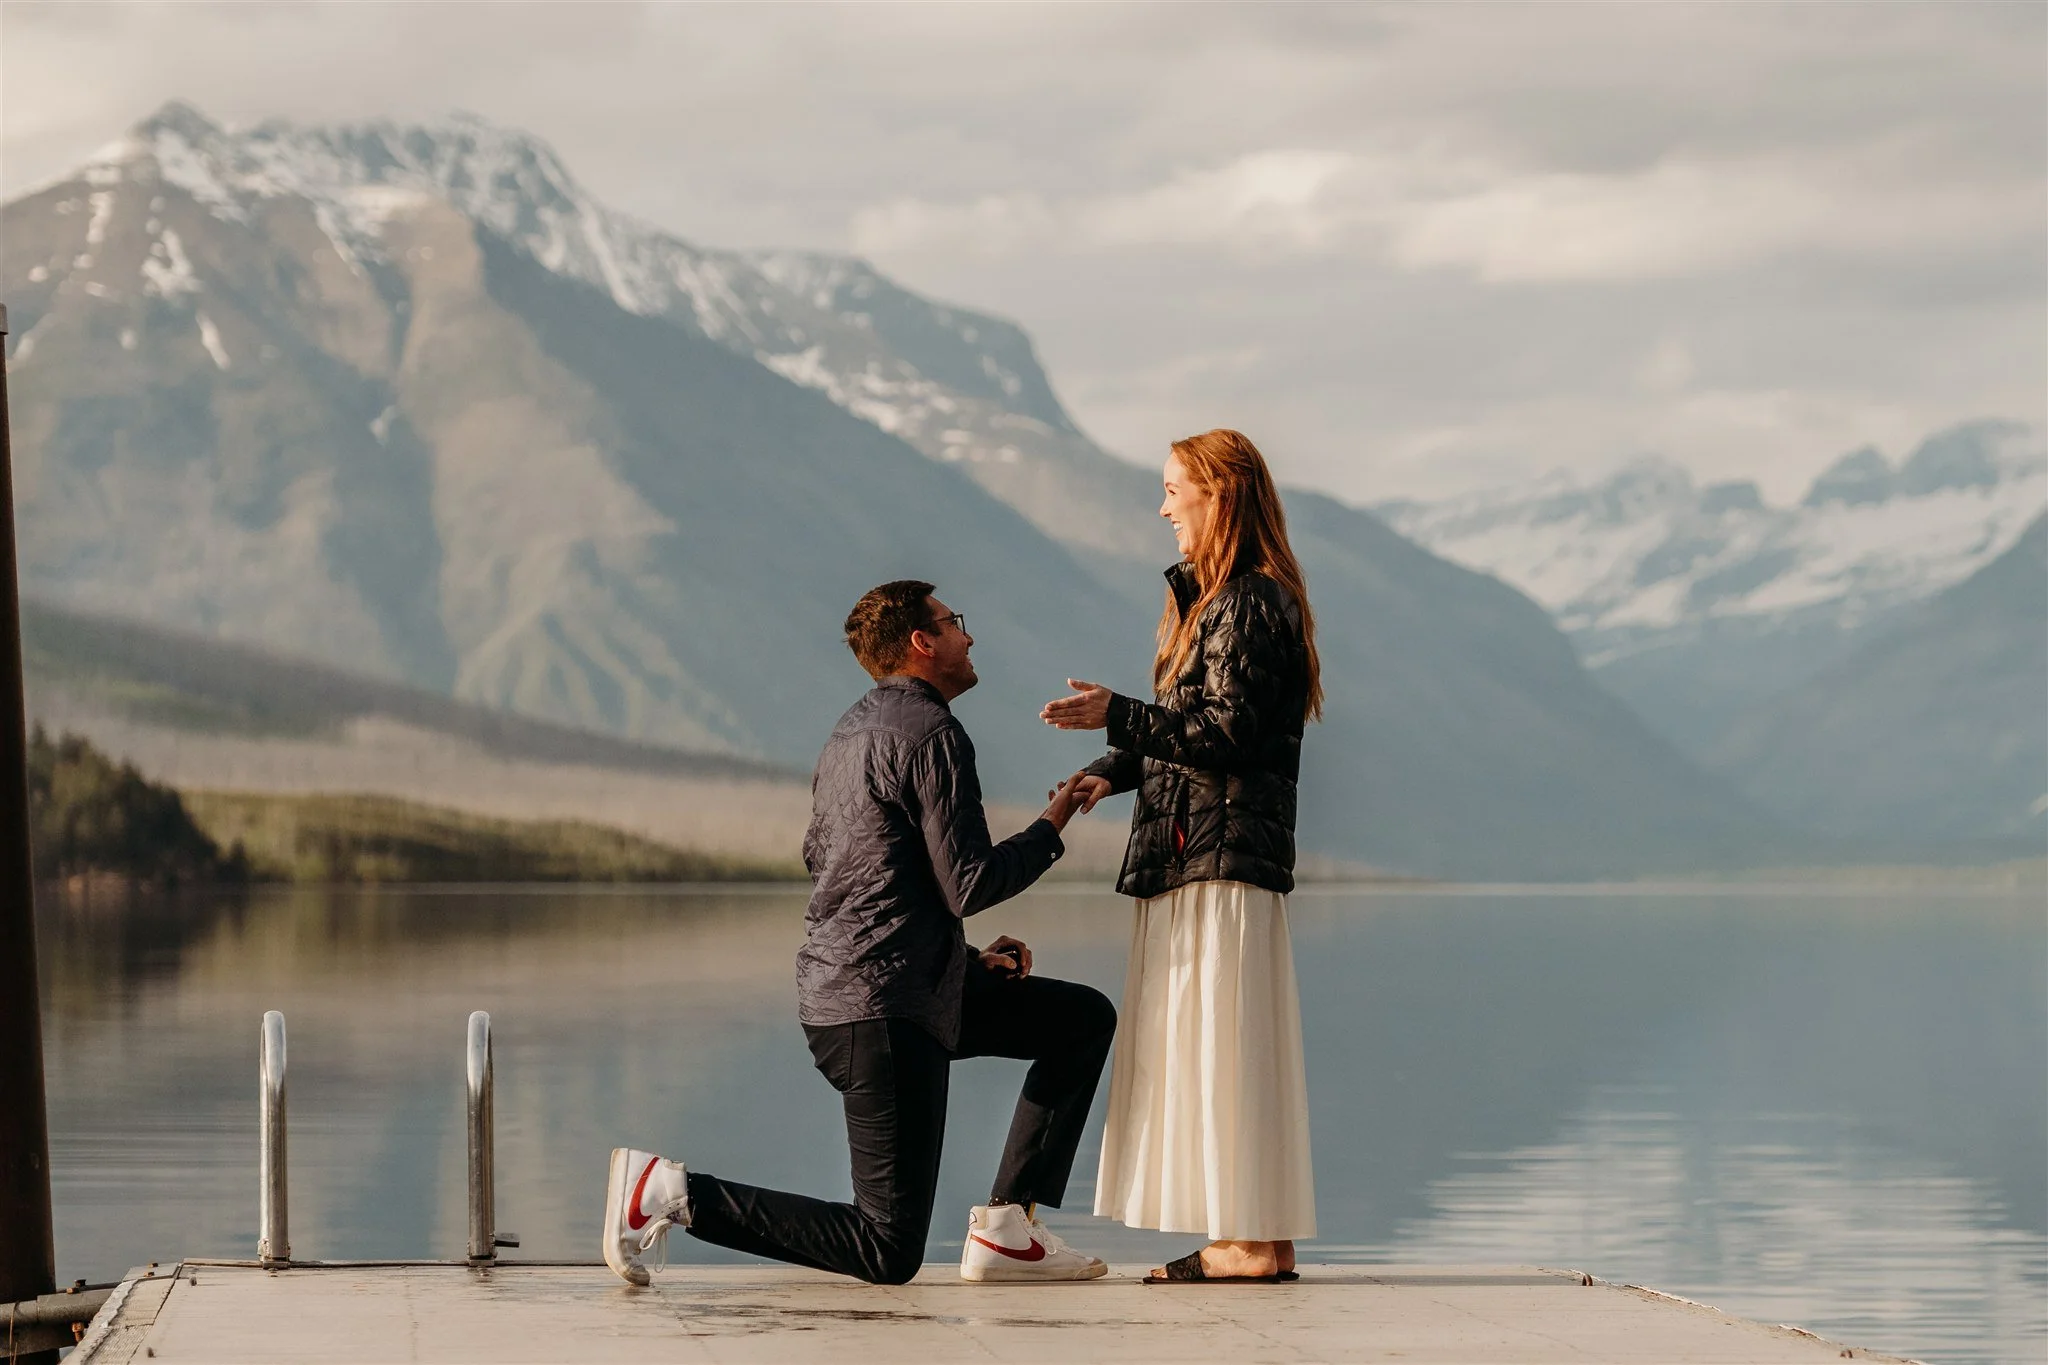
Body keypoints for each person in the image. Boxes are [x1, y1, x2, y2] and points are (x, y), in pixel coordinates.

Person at [602, 579, 1117, 1287]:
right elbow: (969, 883)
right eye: (954, 622)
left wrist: (966, 960)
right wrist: (1051, 823)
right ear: (922, 642)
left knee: (1080, 1019)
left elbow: (859, 876)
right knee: (887, 1247)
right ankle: (668, 1192)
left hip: (882, 988)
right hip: (883, 1009)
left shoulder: (848, 733)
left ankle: (1008, 1227)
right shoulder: (933, 733)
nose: (968, 636)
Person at [1042, 428, 1320, 1283]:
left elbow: (1227, 732)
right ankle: (1259, 1239)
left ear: (1219, 493)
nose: (1162, 507)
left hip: (1215, 856)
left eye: (1173, 489)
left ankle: (1242, 1242)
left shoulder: (1244, 602)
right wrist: (1109, 768)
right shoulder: (1235, 600)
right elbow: (1197, 728)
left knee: (1218, 1045)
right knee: (1236, 1044)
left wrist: (1118, 715)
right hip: (1214, 849)